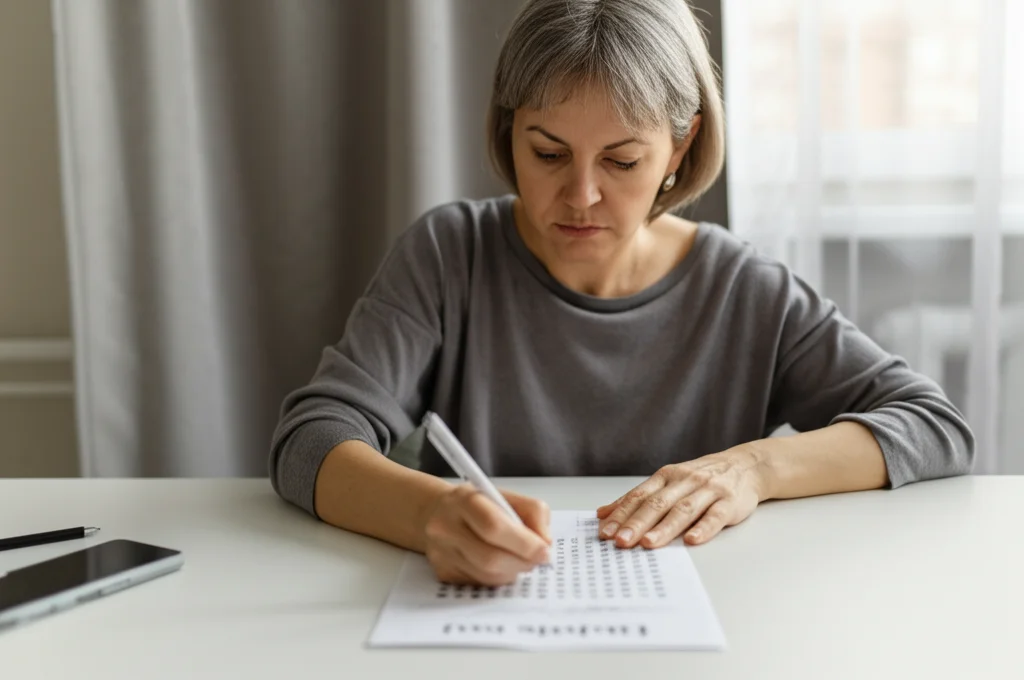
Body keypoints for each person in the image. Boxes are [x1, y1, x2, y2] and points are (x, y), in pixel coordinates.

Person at [269, 0, 974, 586]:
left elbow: (935, 426)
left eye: (623, 160)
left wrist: (752, 469)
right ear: (508, 130)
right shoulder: (450, 255)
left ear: (680, 147)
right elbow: (310, 441)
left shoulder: (743, 290)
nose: (580, 196)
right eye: (547, 152)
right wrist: (430, 514)